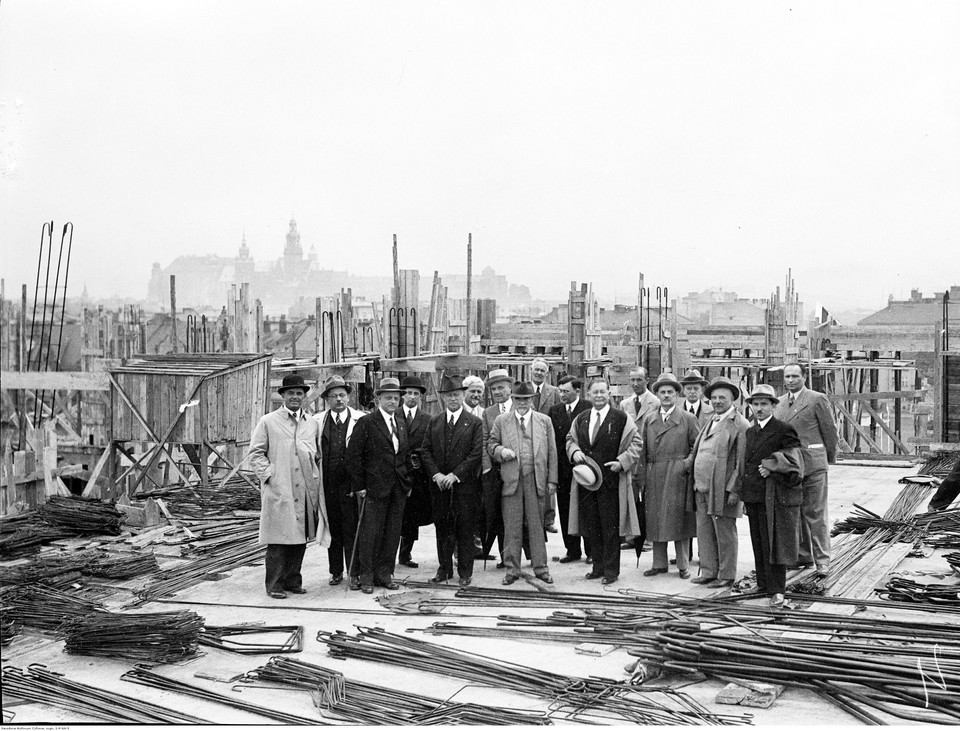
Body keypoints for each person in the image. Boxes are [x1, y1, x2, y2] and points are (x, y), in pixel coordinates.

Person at [248, 374, 330, 599]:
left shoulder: (311, 423)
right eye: (291, 393)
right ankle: (274, 584)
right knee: (278, 541)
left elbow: (317, 455)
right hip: (280, 489)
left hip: (304, 490)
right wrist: (270, 476)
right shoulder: (268, 421)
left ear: (305, 397)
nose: (295, 397)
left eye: (299, 394)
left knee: (299, 539)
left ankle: (293, 581)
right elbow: (255, 454)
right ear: (282, 396)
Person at [733, 384, 804, 608]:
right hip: (754, 494)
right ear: (751, 407)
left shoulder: (784, 429)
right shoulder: (750, 431)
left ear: (773, 406)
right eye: (756, 404)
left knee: (775, 543)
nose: (760, 408)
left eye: (765, 404)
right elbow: (746, 463)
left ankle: (778, 591)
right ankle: (762, 584)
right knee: (758, 542)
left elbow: (794, 461)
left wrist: (771, 466)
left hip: (774, 495)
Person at [566, 378, 642, 585]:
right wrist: (575, 452)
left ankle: (611, 571)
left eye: (602, 392)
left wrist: (621, 461)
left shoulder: (621, 418)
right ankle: (597, 567)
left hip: (611, 482)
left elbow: (636, 443)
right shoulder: (581, 418)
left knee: (610, 528)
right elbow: (570, 439)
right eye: (595, 392)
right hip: (587, 483)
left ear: (609, 394)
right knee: (592, 526)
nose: (598, 396)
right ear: (588, 395)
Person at [346, 377, 413, 594]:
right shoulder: (367, 422)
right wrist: (360, 486)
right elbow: (353, 457)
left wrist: (406, 482)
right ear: (378, 399)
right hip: (374, 488)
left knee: (392, 533)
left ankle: (385, 575)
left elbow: (403, 455)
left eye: (395, 398)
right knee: (370, 534)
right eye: (388, 398)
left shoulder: (400, 423)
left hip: (397, 488)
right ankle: (366, 578)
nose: (392, 401)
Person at [489, 381, 557, 585]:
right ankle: (512, 569)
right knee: (512, 526)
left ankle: (541, 568)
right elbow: (491, 445)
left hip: (536, 479)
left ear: (532, 400)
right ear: (513, 399)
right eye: (518, 399)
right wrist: (501, 451)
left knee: (536, 526)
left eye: (526, 399)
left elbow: (552, 452)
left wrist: (552, 479)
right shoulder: (502, 421)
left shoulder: (544, 421)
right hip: (511, 481)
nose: (522, 403)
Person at [774, 363, 838, 577]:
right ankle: (803, 556)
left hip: (813, 464)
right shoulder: (780, 403)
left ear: (804, 378)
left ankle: (822, 561)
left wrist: (828, 458)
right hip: (791, 466)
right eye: (787, 377)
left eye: (795, 376)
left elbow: (829, 430)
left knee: (816, 514)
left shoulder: (816, 399)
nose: (791, 380)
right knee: (797, 512)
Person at [421, 375, 485, 586]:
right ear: (443, 398)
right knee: (443, 529)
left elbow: (476, 454)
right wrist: (437, 475)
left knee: (465, 528)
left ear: (463, 395)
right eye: (449, 395)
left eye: (456, 394)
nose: (453, 399)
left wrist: (455, 475)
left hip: (464, 487)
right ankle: (444, 569)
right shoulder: (435, 421)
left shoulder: (474, 422)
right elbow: (426, 451)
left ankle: (465, 572)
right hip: (440, 487)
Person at [688, 377, 749, 588]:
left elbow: (742, 463)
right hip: (701, 487)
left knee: (724, 533)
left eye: (722, 397)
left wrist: (734, 490)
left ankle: (726, 575)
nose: (717, 401)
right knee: (704, 531)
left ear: (733, 399)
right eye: (713, 397)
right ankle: (708, 571)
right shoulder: (710, 421)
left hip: (722, 489)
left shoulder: (740, 424)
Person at [638, 372, 699, 579]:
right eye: (662, 392)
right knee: (655, 519)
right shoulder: (649, 419)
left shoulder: (688, 419)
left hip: (677, 474)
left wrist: (685, 465)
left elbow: (696, 447)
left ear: (676, 395)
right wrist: (642, 476)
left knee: (679, 521)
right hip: (655, 472)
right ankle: (659, 564)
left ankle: (683, 566)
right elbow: (644, 449)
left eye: (670, 392)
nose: (666, 396)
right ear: (657, 395)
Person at [314, 375, 365, 590]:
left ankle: (354, 573)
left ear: (348, 397)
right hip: (327, 484)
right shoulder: (317, 421)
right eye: (334, 396)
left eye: (342, 395)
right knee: (332, 528)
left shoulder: (361, 419)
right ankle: (336, 571)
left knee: (352, 529)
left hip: (351, 485)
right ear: (327, 399)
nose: (339, 400)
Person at [548, 375, 592, 563]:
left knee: (587, 510)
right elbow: (551, 443)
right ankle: (572, 550)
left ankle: (592, 552)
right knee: (565, 510)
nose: (562, 395)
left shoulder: (588, 408)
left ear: (577, 391)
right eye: (560, 391)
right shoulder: (554, 410)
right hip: (563, 470)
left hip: (584, 468)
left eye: (566, 391)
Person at [621, 366, 660, 551]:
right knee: (630, 498)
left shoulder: (656, 403)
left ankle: (649, 539)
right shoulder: (624, 404)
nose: (635, 384)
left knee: (648, 499)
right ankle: (631, 537)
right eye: (632, 380)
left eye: (639, 380)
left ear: (647, 381)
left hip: (648, 457)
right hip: (631, 457)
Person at [397, 376, 432, 569]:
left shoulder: (427, 419)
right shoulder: (393, 415)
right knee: (394, 515)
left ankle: (405, 554)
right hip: (396, 472)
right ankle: (386, 555)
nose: (412, 397)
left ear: (420, 398)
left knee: (411, 516)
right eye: (408, 393)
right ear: (402, 396)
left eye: (415, 394)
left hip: (417, 476)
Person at [480, 368, 514, 566]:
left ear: (510, 388)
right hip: (494, 471)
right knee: (497, 514)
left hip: (515, 469)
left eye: (501, 387)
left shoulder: (519, 407)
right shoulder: (488, 413)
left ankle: (514, 556)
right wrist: (486, 467)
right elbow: (485, 441)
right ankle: (504, 557)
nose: (498, 392)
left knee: (514, 514)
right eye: (494, 389)